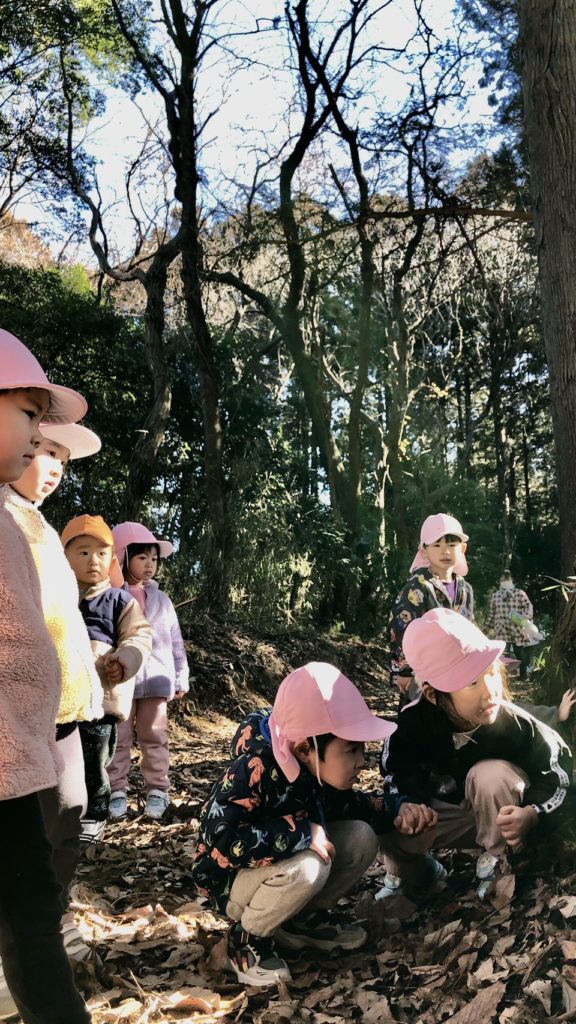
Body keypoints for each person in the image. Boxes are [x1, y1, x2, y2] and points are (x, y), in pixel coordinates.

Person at [192, 661, 437, 987]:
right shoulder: (254, 769)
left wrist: (397, 808)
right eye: (351, 750)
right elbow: (221, 841)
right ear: (305, 748)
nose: (361, 762)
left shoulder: (315, 771)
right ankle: (247, 939)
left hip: (280, 867)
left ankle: (301, 921)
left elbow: (354, 806)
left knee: (361, 836)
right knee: (310, 864)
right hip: (232, 882)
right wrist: (301, 833)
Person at [0, 326, 91, 1023]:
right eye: (29, 414)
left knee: (30, 910)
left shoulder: (18, 522)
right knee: (29, 917)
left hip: (20, 749)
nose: (39, 438)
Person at [378, 608, 571, 902]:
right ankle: (417, 872)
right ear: (432, 694)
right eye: (471, 683)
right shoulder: (411, 725)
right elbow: (395, 773)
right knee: (386, 820)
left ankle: (499, 862)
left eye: (491, 673)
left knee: (492, 775)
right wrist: (406, 805)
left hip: (504, 817)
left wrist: (533, 814)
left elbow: (559, 773)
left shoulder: (515, 724)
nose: (489, 692)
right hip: (452, 817)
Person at [61, 514, 153, 843]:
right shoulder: (55, 599)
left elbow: (139, 636)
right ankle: (61, 813)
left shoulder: (119, 601)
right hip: (60, 703)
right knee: (59, 760)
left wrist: (124, 661)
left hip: (100, 701)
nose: (93, 561)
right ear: (63, 557)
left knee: (93, 758)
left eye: (101, 553)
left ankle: (94, 815)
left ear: (112, 559)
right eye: (83, 552)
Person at [108, 522, 189, 821]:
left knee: (154, 735)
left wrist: (180, 675)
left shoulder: (162, 600)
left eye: (154, 558)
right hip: (121, 682)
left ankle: (157, 790)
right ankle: (116, 791)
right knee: (119, 738)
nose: (150, 564)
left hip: (156, 679)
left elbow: (175, 640)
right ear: (122, 556)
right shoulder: (111, 596)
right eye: (142, 557)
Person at [388, 513, 474, 702]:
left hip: (456, 671)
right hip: (422, 673)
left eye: (452, 545)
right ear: (424, 550)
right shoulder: (418, 587)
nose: (445, 551)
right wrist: (404, 670)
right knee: (420, 714)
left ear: (463, 548)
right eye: (437, 545)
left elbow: (470, 629)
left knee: (453, 713)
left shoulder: (465, 589)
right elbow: (401, 628)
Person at [484, 570, 542, 681]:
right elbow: (492, 615)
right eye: (503, 579)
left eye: (508, 579)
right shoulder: (496, 596)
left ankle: (523, 675)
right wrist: (485, 630)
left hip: (517, 628)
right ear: (500, 581)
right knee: (501, 654)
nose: (506, 581)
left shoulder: (520, 593)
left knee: (519, 653)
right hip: (501, 629)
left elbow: (528, 605)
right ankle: (502, 678)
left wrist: (527, 616)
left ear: (511, 580)